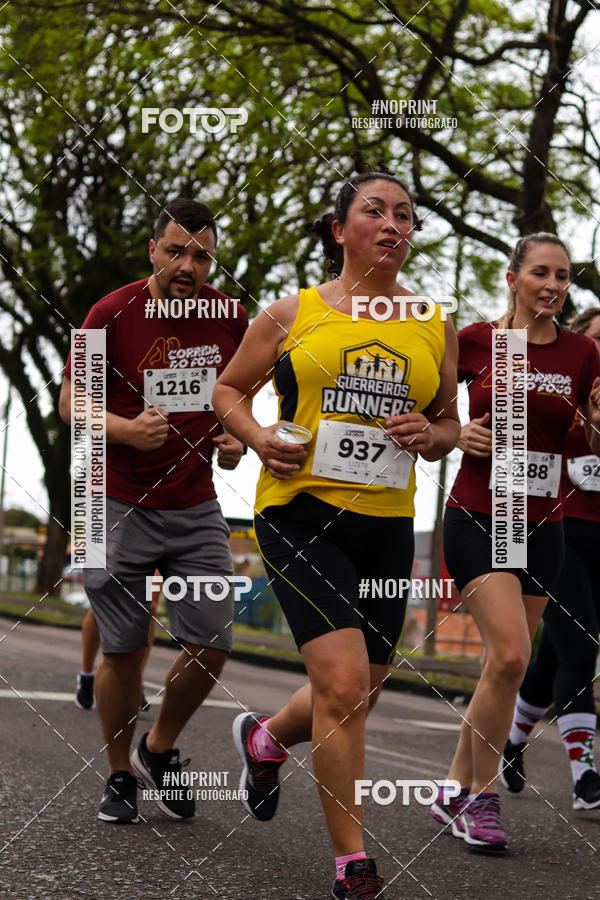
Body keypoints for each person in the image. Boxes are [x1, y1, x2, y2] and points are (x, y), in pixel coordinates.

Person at [212, 158, 460, 899]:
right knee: (345, 685)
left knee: (360, 691)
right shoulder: (292, 313)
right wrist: (257, 439)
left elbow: (450, 424)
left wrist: (433, 432)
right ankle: (353, 863)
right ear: (339, 229)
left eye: (405, 216)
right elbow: (226, 388)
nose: (392, 225)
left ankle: (264, 738)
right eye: (376, 211)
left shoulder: (430, 322)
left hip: (386, 522)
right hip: (299, 512)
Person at [58, 198, 248, 823]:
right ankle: (118, 774)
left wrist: (234, 439)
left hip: (194, 503)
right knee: (122, 647)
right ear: (153, 251)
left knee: (213, 641)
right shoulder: (111, 312)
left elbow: (234, 394)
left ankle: (158, 746)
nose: (188, 265)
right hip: (111, 498)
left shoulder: (230, 316)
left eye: (201, 255)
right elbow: (69, 403)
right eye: (176, 251)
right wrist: (122, 428)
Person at [431, 234, 600, 853]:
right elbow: (435, 423)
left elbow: (592, 444)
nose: (553, 286)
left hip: (544, 527)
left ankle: (451, 788)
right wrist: (457, 437)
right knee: (508, 658)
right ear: (512, 278)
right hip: (477, 516)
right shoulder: (474, 340)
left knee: (500, 669)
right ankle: (479, 798)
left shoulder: (584, 352)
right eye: (541, 274)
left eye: (562, 276)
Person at [500, 306, 600, 808]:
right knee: (582, 649)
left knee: (556, 655)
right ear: (581, 346)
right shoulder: (557, 396)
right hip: (560, 534)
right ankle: (585, 777)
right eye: (598, 341)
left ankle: (513, 741)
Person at [75, 574, 161, 711]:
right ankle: (86, 675)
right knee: (101, 601)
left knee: (150, 605)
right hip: (105, 552)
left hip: (153, 551)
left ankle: (135, 682)